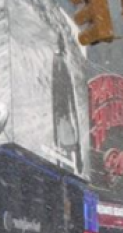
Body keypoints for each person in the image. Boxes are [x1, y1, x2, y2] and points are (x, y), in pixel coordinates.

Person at [52, 32, 82, 175]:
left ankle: (72, 170)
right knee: (67, 148)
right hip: (64, 113)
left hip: (64, 114)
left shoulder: (60, 60)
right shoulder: (60, 59)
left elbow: (62, 88)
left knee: (67, 149)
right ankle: (71, 169)